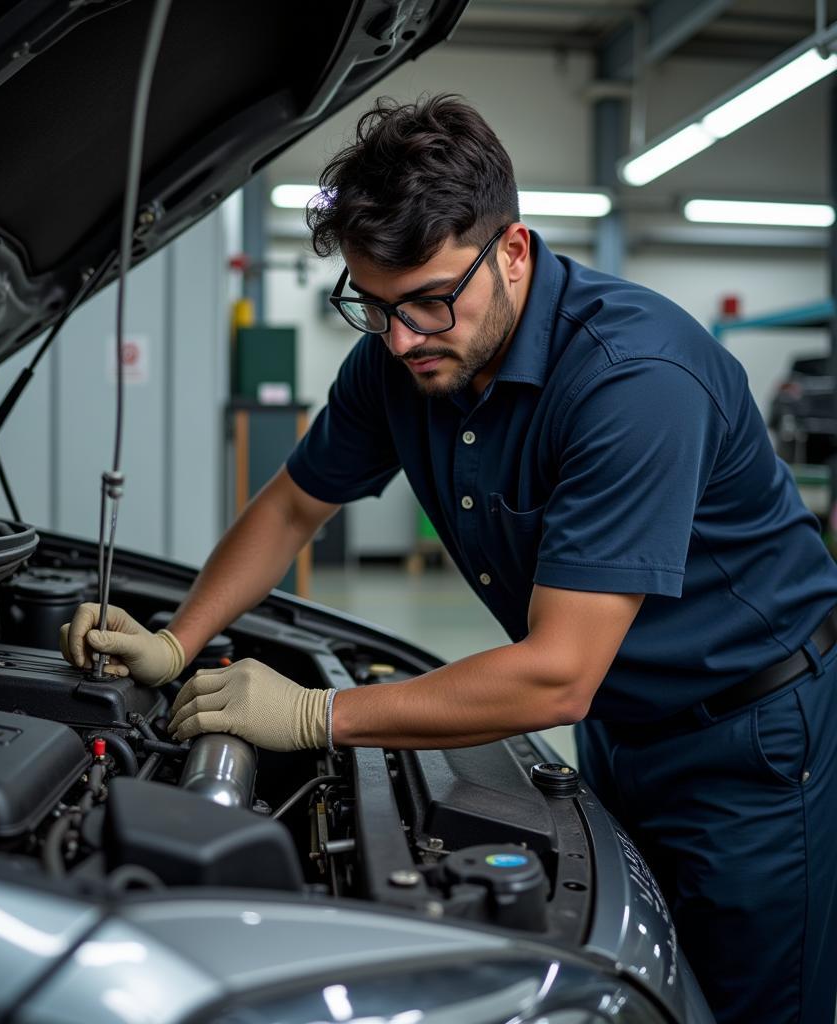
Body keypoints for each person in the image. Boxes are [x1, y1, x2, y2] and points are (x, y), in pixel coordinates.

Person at [61, 95, 837, 1024]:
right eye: (374, 306)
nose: (402, 339)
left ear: (512, 251)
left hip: (749, 741)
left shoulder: (633, 383)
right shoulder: (401, 358)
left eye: (431, 301)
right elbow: (293, 505)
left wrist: (317, 713)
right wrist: (179, 640)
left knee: (750, 1000)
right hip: (623, 725)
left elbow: (554, 677)